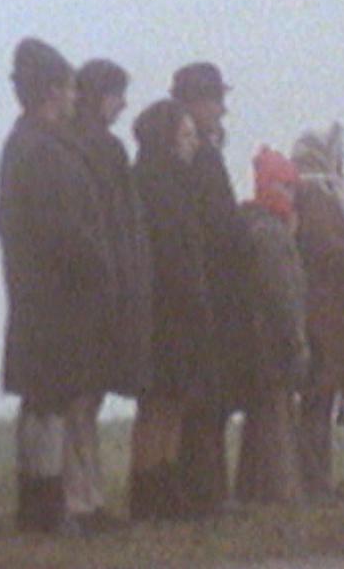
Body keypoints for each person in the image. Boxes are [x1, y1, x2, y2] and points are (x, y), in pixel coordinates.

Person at [0, 38, 114, 536]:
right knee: (46, 403)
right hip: (52, 300)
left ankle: (42, 506)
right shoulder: (39, 149)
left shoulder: (30, 144)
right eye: (67, 88)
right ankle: (43, 511)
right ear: (50, 91)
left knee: (46, 402)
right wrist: (98, 268)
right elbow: (63, 231)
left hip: (45, 299)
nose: (73, 98)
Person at [58, 58, 151, 533]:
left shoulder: (77, 144)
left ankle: (87, 498)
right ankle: (82, 500)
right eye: (116, 94)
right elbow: (117, 225)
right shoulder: (102, 148)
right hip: (102, 287)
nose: (122, 105)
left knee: (83, 400)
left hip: (92, 287)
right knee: (82, 400)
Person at [127, 99, 219, 519]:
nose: (192, 144)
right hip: (164, 311)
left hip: (183, 310)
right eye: (184, 136)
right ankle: (148, 490)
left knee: (174, 402)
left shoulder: (176, 183)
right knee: (157, 404)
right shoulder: (152, 184)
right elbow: (166, 254)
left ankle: (164, 482)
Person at [170, 61, 243, 514]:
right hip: (209, 285)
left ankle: (210, 488)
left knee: (212, 395)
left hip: (214, 284)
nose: (222, 110)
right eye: (216, 100)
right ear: (197, 102)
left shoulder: (201, 151)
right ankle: (204, 490)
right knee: (204, 398)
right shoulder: (198, 156)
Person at [232, 147, 311, 505]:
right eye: (288, 187)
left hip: (252, 339)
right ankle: (277, 494)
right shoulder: (272, 234)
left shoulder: (252, 226)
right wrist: (296, 343)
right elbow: (284, 296)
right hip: (272, 342)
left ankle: (253, 490)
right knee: (275, 420)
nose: (293, 196)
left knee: (262, 420)